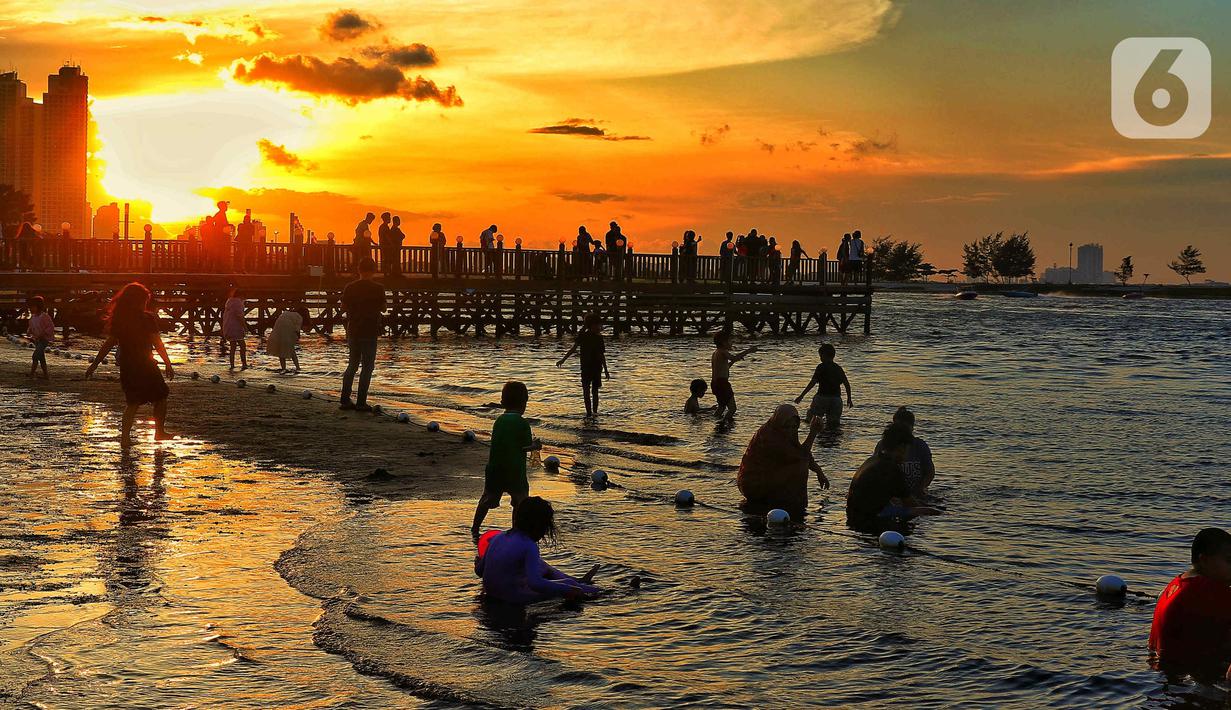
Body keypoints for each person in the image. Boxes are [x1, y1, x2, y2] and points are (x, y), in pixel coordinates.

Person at [84, 283, 174, 445]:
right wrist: (167, 362)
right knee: (161, 396)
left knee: (132, 403)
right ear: (139, 301)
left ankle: (125, 438)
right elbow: (157, 342)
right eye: (145, 300)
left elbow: (108, 344)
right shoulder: (147, 319)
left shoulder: (120, 320)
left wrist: (94, 364)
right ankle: (159, 431)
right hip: (146, 365)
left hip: (128, 365)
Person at [474, 496, 600, 604]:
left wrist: (478, 562)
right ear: (538, 526)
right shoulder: (529, 545)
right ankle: (602, 592)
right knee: (567, 585)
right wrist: (567, 590)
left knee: (547, 570)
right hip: (512, 597)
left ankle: (580, 583)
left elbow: (480, 571)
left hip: (492, 593)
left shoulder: (497, 537)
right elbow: (535, 583)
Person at [1149, 528, 1231, 682]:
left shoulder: (1177, 583)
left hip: (1161, 674)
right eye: (1229, 561)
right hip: (1188, 677)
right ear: (1204, 560)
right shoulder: (1208, 589)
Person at [471, 381, 542, 535]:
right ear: (525, 402)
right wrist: (536, 446)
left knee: (487, 498)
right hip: (515, 470)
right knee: (520, 501)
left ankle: (475, 527)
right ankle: (515, 530)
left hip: (495, 469)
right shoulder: (522, 423)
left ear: (503, 402)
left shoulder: (499, 421)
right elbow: (524, 447)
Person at [846, 423, 940, 532]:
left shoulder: (872, 460)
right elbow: (911, 504)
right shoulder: (892, 469)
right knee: (929, 511)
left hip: (853, 514)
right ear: (901, 447)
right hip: (872, 516)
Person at [738, 404, 828, 516]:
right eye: (787, 427)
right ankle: (785, 501)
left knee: (800, 463)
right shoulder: (770, 437)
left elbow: (801, 452)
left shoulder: (787, 434)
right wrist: (813, 433)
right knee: (799, 466)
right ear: (778, 423)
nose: (791, 430)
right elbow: (799, 456)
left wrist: (819, 472)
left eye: (794, 427)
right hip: (754, 484)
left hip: (770, 478)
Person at [339, 257, 385, 411]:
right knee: (367, 367)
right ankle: (361, 402)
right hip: (370, 330)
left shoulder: (350, 287)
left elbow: (343, 307)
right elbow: (384, 308)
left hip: (353, 329)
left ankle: (345, 400)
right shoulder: (378, 288)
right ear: (373, 271)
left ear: (359, 270)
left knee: (352, 364)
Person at [556, 313, 609, 416]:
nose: (599, 327)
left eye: (599, 324)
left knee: (595, 392)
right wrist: (563, 360)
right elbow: (573, 348)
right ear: (591, 325)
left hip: (597, 368)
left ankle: (594, 412)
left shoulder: (599, 338)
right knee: (586, 392)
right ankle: (589, 413)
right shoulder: (583, 336)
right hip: (586, 367)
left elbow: (601, 355)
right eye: (596, 324)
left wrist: (606, 370)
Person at [874, 407, 935, 496]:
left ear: (912, 427)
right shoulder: (883, 445)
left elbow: (930, 471)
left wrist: (921, 488)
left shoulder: (920, 446)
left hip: (915, 491)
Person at [794, 343, 853, 430]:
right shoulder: (838, 368)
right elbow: (847, 384)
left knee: (812, 419)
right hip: (836, 399)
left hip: (822, 398)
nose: (820, 358)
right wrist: (849, 399)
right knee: (834, 424)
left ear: (824, 355)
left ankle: (817, 435)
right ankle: (832, 440)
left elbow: (812, 383)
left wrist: (801, 395)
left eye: (820, 355)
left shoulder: (821, 367)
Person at [711, 330, 758, 421]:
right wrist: (748, 351)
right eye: (730, 341)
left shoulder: (716, 353)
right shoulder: (723, 352)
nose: (731, 343)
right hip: (722, 383)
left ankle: (715, 423)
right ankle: (722, 424)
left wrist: (733, 361)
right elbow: (734, 357)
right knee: (732, 409)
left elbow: (725, 367)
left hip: (715, 383)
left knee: (721, 407)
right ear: (723, 342)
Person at [267, 305, 308, 373]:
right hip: (287, 332)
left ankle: (283, 368)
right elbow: (297, 330)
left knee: (281, 350)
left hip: (277, 330)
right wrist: (298, 338)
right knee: (291, 350)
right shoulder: (299, 317)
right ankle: (297, 367)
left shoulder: (286, 312)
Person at [25, 295, 54, 379]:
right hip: (37, 339)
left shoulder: (44, 316)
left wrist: (43, 334)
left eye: (32, 307)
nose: (31, 309)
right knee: (41, 357)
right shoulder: (33, 317)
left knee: (35, 356)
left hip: (44, 339)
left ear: (38, 306)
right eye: (30, 307)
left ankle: (32, 373)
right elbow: (31, 325)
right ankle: (46, 374)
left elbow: (51, 326)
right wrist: (29, 330)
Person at [221, 288, 248, 371]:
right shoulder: (238, 303)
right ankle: (244, 364)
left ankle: (232, 365)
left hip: (228, 326)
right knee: (242, 346)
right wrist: (245, 326)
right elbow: (239, 316)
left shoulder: (229, 301)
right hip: (236, 327)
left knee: (233, 347)